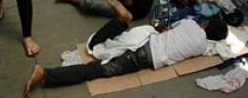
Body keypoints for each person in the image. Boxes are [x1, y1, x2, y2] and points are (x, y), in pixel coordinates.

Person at [23, 18, 228, 96]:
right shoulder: (203, 47)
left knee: (101, 58)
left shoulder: (191, 24)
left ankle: (46, 74)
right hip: (143, 58)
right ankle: (46, 74)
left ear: (206, 24)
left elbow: (168, 28)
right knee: (94, 71)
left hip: (145, 43)